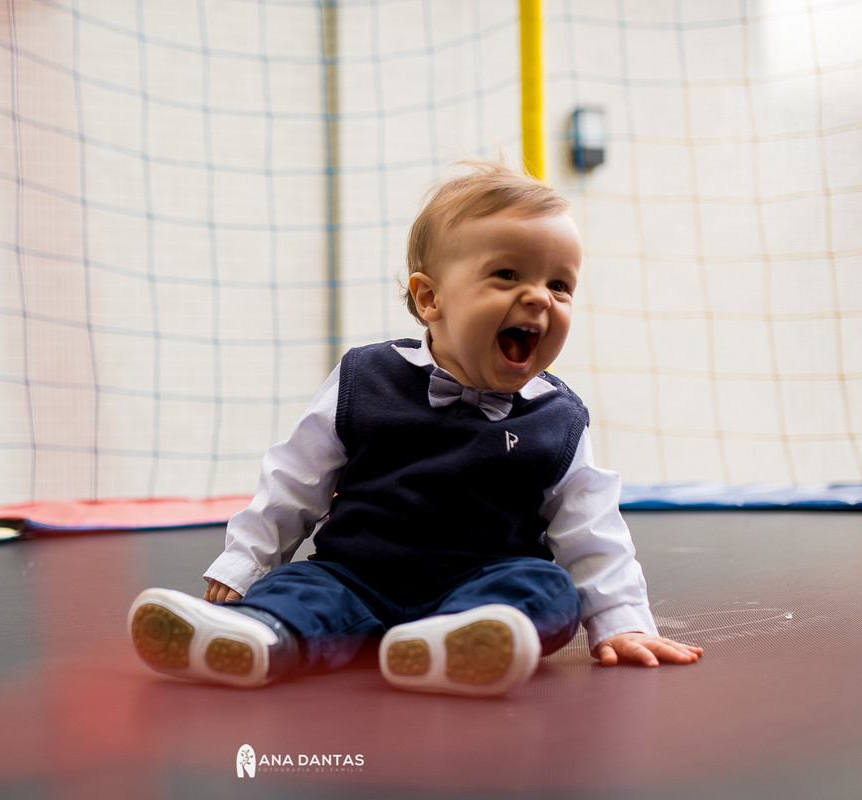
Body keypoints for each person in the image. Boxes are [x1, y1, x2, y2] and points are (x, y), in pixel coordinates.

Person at [128, 157, 702, 696]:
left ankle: (455, 644)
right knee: (298, 591)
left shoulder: (558, 418)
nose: (538, 298)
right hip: (353, 574)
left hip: (483, 586)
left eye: (560, 284)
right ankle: (256, 637)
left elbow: (592, 532)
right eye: (506, 275)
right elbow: (293, 480)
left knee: (545, 592)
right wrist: (245, 564)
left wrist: (620, 621)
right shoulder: (365, 378)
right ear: (430, 298)